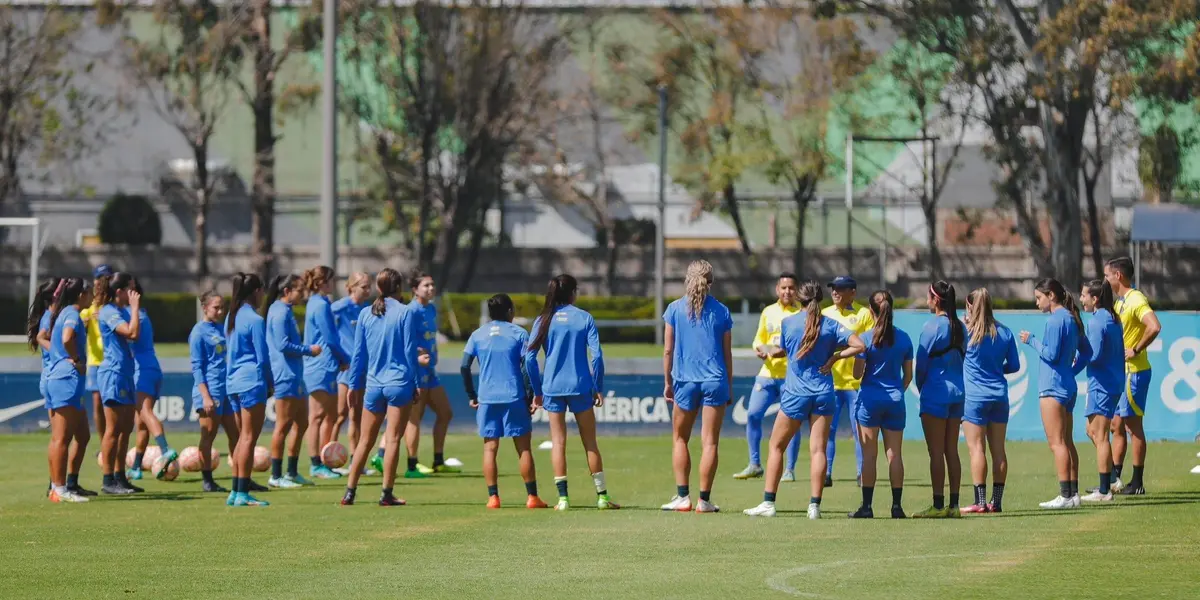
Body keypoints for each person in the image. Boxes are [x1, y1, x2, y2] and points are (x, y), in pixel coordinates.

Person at [743, 281, 865, 520]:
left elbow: (785, 351)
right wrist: (834, 358)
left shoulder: (789, 323)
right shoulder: (831, 324)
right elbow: (860, 345)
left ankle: (769, 502)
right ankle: (814, 506)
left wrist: (768, 352)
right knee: (818, 449)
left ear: (799, 299)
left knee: (776, 446)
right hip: (823, 393)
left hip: (796, 394)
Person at [525, 274, 620, 511]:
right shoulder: (584, 318)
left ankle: (563, 499)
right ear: (573, 292)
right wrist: (598, 386)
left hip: (553, 388)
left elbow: (529, 358)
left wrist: (537, 390)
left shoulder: (543, 319)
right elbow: (597, 356)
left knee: (558, 443)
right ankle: (602, 497)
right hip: (580, 387)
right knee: (590, 443)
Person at [341, 269, 427, 506]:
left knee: (365, 441)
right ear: (399, 288)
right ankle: (386, 493)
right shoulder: (405, 313)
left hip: (374, 385)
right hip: (399, 384)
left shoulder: (366, 314)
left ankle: (350, 492)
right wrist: (417, 384)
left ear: (379, 288)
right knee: (392, 440)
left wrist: (352, 385)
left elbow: (358, 355)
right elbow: (410, 353)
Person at [461, 294, 547, 509]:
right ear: (510, 311)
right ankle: (532, 497)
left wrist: (472, 395)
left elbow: (464, 366)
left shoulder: (478, 334)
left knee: (490, 448)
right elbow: (528, 364)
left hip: (487, 397)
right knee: (524, 449)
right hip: (513, 396)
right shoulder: (519, 333)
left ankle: (493, 498)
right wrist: (531, 395)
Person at [660, 260, 732, 514]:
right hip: (716, 380)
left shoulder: (674, 310)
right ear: (711, 282)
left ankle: (683, 497)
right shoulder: (722, 311)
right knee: (710, 442)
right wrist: (729, 386)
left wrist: (668, 382)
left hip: (685, 381)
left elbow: (668, 350)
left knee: (680, 438)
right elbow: (727, 353)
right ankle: (704, 501)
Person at [1020, 278, 1092, 510]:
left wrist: (1031, 340)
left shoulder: (1055, 321)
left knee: (1057, 443)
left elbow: (1050, 355)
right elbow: (1087, 352)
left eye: (1039, 298)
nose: (1037, 303)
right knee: (1067, 441)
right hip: (1067, 385)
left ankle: (1065, 496)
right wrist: (1071, 372)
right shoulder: (1072, 318)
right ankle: (1074, 493)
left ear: (1051, 295)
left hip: (1053, 387)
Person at [848, 290, 911, 519]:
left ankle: (867, 507)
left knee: (869, 456)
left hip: (870, 401)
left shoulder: (864, 339)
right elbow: (908, 375)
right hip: (895, 400)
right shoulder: (903, 338)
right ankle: (896, 507)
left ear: (871, 311)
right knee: (895, 455)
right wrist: (896, 392)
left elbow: (856, 374)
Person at [734, 273, 802, 482]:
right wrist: (762, 350)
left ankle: (789, 469)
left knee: (792, 423)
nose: (787, 291)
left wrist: (784, 352)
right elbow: (758, 340)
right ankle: (755, 464)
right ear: (777, 290)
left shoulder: (801, 313)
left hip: (791, 377)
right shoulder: (768, 312)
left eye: (791, 288)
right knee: (753, 414)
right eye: (784, 288)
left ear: (796, 290)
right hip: (767, 375)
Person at [960, 288, 1020, 514]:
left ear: (969, 305)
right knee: (998, 450)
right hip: (999, 396)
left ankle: (980, 502)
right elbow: (1014, 366)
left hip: (974, 397)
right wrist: (995, 369)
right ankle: (997, 502)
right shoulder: (1004, 332)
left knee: (976, 449)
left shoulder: (966, 332)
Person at [394, 270, 459, 478]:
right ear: (415, 290)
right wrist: (415, 356)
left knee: (445, 413)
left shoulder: (431, 309)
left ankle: (438, 460)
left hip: (430, 371)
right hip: (416, 371)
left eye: (432, 285)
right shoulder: (410, 311)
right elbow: (401, 342)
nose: (431, 288)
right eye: (426, 285)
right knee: (414, 418)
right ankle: (412, 465)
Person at [1104, 256, 1160, 495]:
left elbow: (1154, 326)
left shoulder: (1136, 299)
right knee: (1116, 425)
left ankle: (1137, 482)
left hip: (1134, 373)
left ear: (1118, 276)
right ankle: (1114, 480)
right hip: (1121, 374)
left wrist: (1135, 349)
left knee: (1132, 427)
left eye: (1107, 275)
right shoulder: (1120, 302)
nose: (1105, 280)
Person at [912, 280, 966, 518]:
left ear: (935, 299)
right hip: (957, 393)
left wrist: (921, 386)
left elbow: (920, 366)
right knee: (951, 450)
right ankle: (954, 506)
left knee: (935, 452)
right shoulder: (960, 327)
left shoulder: (932, 326)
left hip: (936, 392)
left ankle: (937, 504)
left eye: (928, 295)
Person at [264, 274, 321, 489]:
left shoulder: (286, 311)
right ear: (287, 291)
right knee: (283, 425)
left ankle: (292, 471)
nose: (303, 294)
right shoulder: (279, 313)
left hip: (296, 374)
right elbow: (282, 345)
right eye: (299, 290)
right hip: (284, 375)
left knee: (302, 422)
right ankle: (276, 475)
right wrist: (309, 350)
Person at [43, 277, 93, 503]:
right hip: (65, 378)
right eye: (89, 291)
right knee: (61, 438)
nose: (92, 295)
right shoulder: (72, 314)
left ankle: (62, 485)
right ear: (80, 295)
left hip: (57, 377)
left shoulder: (63, 313)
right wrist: (76, 358)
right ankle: (60, 489)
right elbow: (67, 338)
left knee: (80, 435)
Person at [821, 275, 873, 487]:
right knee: (827, 430)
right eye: (833, 288)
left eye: (841, 289)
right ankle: (826, 472)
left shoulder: (864, 314)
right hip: (830, 381)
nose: (835, 292)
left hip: (855, 384)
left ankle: (862, 473)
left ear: (853, 292)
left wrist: (843, 348)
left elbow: (867, 344)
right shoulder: (824, 313)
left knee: (858, 431)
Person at [225, 273, 272, 507]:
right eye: (262, 290)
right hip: (251, 381)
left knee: (241, 438)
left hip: (233, 383)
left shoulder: (231, 318)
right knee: (248, 438)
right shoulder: (255, 320)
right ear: (256, 292)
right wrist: (271, 383)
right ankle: (242, 492)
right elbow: (263, 358)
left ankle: (235, 491)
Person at [126, 278, 180, 481]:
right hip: (152, 368)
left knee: (145, 412)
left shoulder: (135, 316)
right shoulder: (142, 314)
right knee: (140, 423)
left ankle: (165, 449)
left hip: (143, 370)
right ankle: (137, 467)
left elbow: (129, 335)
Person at [95, 272, 143, 495]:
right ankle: (107, 480)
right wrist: (135, 308)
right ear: (119, 291)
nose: (134, 293)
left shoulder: (120, 311)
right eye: (130, 289)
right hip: (113, 374)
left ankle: (120, 477)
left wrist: (131, 310)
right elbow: (132, 333)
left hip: (125, 372)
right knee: (113, 429)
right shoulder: (109, 312)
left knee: (126, 429)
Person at [1077, 279, 1124, 503]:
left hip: (1102, 384)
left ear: (1095, 299)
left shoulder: (1097, 322)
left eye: (1084, 295)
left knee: (1101, 435)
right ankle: (1112, 478)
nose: (1081, 299)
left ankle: (1105, 490)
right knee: (1091, 430)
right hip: (1112, 382)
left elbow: (1093, 355)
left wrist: (1077, 349)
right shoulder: (1113, 318)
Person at [302, 265, 349, 480]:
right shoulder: (320, 305)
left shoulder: (321, 303)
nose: (333, 283)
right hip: (319, 366)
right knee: (317, 417)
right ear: (321, 282)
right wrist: (345, 359)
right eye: (330, 280)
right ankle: (315, 464)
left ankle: (324, 461)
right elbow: (330, 339)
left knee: (328, 416)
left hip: (326, 365)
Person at [190, 290, 239, 493]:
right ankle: (207, 480)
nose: (220, 311)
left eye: (222, 307)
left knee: (236, 434)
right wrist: (205, 396)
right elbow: (197, 367)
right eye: (215, 307)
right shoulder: (198, 332)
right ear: (205, 308)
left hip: (227, 389)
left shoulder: (222, 329)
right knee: (208, 435)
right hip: (210, 391)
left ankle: (241, 478)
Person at [331, 272, 372, 473]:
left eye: (369, 286)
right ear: (352, 287)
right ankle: (328, 457)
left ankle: (356, 462)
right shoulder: (339, 309)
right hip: (345, 369)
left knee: (356, 416)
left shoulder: (368, 310)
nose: (368, 290)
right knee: (340, 414)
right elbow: (328, 335)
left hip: (362, 369)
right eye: (364, 286)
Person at [80, 265, 112, 477]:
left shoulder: (113, 305)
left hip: (111, 361)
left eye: (104, 278)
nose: (100, 282)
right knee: (97, 403)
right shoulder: (90, 306)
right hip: (94, 360)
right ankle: (103, 444)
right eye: (98, 278)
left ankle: (112, 442)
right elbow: (81, 318)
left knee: (113, 404)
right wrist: (87, 319)